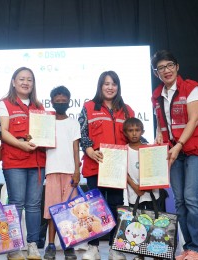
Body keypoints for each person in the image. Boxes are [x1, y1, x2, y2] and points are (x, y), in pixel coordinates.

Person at [151, 50, 198, 260]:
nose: (166, 70)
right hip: (173, 151)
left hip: (195, 148)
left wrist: (178, 144)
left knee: (191, 197)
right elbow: (162, 125)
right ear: (156, 73)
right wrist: (159, 138)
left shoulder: (191, 88)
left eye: (170, 65)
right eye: (161, 68)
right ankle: (188, 248)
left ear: (177, 67)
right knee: (179, 201)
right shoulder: (157, 94)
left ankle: (197, 248)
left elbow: (194, 118)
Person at [78, 71, 134, 260]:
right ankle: (93, 248)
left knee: (116, 205)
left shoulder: (127, 110)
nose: (110, 87)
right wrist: (89, 150)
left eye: (114, 84)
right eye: (106, 84)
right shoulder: (88, 107)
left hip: (117, 168)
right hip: (95, 165)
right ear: (100, 86)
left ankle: (114, 248)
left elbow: (134, 136)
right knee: (94, 207)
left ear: (118, 87)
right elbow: (82, 134)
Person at [0, 67, 45, 260]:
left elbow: (44, 133)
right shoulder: (5, 103)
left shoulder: (39, 106)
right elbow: (3, 131)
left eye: (29, 80)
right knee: (16, 204)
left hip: (36, 162)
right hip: (15, 160)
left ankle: (32, 245)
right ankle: (14, 247)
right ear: (13, 82)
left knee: (34, 205)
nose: (25, 83)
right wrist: (21, 144)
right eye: (21, 79)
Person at [42, 86, 81, 260]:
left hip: (69, 172)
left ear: (69, 102)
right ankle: (51, 245)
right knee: (52, 211)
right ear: (51, 102)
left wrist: (77, 171)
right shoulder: (46, 122)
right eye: (57, 100)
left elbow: (75, 149)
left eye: (63, 100)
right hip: (51, 171)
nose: (60, 102)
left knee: (68, 212)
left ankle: (68, 244)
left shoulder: (73, 123)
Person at [123, 117, 160, 260]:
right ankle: (140, 253)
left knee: (154, 222)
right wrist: (134, 186)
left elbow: (156, 169)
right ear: (125, 133)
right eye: (130, 131)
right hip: (134, 193)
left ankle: (157, 252)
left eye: (137, 130)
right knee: (138, 224)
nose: (134, 134)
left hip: (152, 194)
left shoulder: (150, 149)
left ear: (142, 131)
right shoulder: (124, 150)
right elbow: (123, 171)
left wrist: (149, 184)